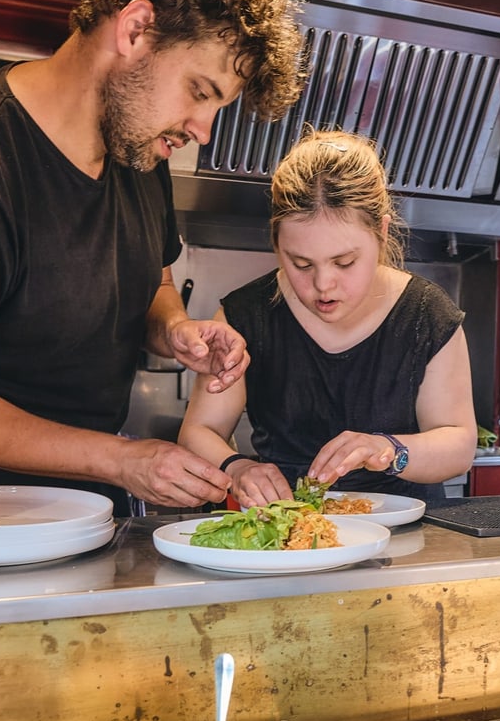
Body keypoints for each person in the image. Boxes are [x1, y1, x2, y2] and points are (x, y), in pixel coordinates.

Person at [0, 0, 304, 516]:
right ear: (134, 29)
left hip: (86, 522)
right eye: (199, 91)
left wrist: (174, 330)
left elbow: (150, 278)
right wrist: (122, 459)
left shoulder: (135, 153)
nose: (201, 130)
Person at [178, 128, 477, 507]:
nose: (323, 285)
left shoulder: (427, 316)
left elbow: (458, 443)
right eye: (301, 263)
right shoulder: (244, 316)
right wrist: (236, 467)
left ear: (382, 233)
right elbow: (198, 430)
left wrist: (386, 449)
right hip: (286, 536)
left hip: (407, 538)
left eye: (345, 262)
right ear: (276, 244)